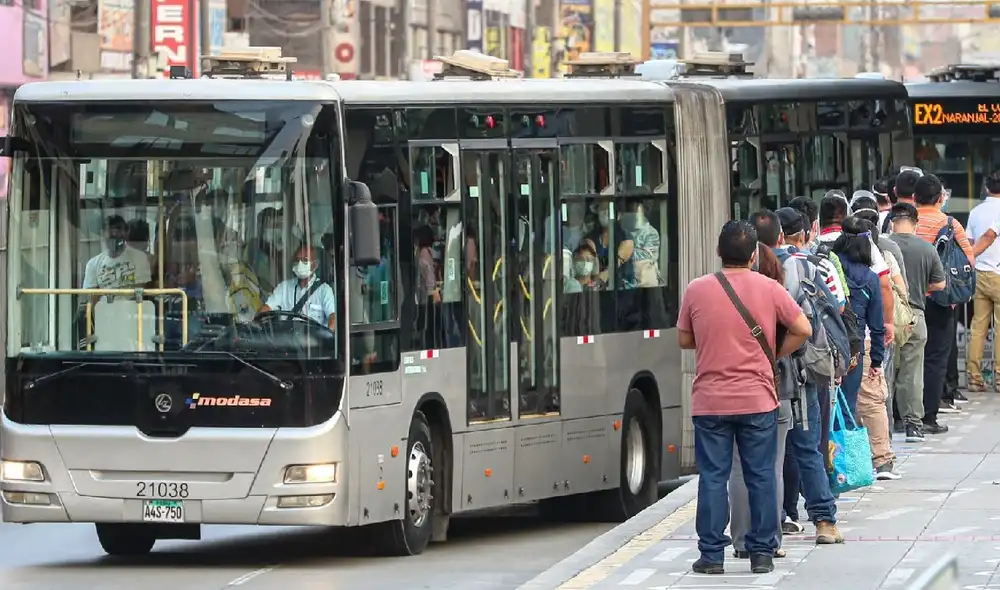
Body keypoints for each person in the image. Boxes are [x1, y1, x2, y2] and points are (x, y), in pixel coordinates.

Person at [678, 220, 811, 575]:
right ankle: (762, 553)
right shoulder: (769, 288)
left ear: (719, 252)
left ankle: (710, 555)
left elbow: (684, 339)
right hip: (758, 399)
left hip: (710, 401)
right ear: (754, 255)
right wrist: (775, 352)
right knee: (761, 475)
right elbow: (804, 329)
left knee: (712, 477)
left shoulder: (696, 289)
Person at [755, 209, 844, 545]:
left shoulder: (739, 272)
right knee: (807, 448)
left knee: (764, 452)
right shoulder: (804, 265)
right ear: (782, 237)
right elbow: (829, 310)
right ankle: (824, 521)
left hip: (758, 376)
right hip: (800, 370)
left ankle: (774, 520)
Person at [729, 233, 792, 561]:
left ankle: (740, 540)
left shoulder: (720, 294)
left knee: (738, 469)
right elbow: (805, 332)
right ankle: (769, 541)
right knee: (771, 469)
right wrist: (775, 353)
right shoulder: (777, 295)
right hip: (775, 391)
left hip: (730, 395)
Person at [912, 174, 974, 432]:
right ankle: (929, 417)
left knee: (909, 360)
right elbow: (969, 261)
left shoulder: (904, 223)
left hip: (909, 300)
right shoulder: (950, 223)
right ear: (940, 199)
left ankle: (904, 416)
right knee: (936, 358)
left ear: (914, 198)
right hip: (940, 300)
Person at [888, 202, 947, 443]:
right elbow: (940, 284)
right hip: (914, 315)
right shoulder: (926, 248)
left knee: (885, 371)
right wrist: (920, 288)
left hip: (887, 315)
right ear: (916, 222)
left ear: (892, 221)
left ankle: (886, 425)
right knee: (912, 372)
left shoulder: (881, 244)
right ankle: (913, 424)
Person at [815, 195, 895, 345]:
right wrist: (888, 322)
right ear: (847, 216)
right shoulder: (862, 241)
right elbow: (884, 285)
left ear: (819, 220)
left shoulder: (813, 245)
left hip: (824, 339)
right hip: (862, 335)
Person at [832, 217, 886, 416]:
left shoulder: (828, 268)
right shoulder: (871, 278)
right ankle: (843, 447)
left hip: (827, 347)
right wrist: (876, 361)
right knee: (847, 408)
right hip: (854, 349)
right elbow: (877, 325)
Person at [964, 169, 1000, 392]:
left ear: (986, 187)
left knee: (978, 326)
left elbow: (968, 242)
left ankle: (974, 378)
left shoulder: (975, 212)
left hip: (979, 274)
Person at [258, 245, 336, 331]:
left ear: (315, 265)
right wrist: (256, 323)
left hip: (314, 342)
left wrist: (329, 337)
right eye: (297, 260)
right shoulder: (284, 287)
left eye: (305, 260)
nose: (300, 264)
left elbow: (332, 318)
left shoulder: (324, 290)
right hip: (286, 341)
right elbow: (266, 309)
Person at [82, 215, 153, 294]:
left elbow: (140, 292)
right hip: (104, 306)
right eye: (109, 230)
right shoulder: (93, 264)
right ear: (102, 233)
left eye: (118, 229)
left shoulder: (140, 258)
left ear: (126, 233)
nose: (114, 233)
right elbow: (91, 298)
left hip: (132, 306)